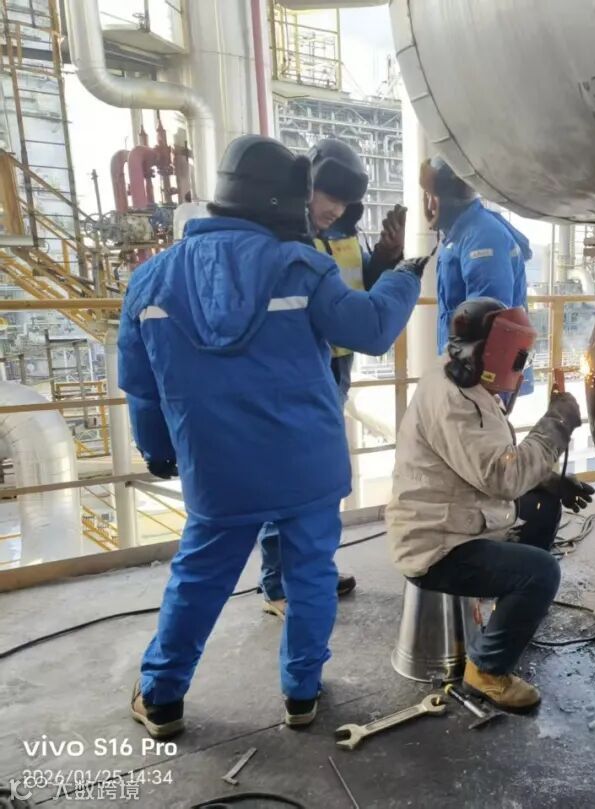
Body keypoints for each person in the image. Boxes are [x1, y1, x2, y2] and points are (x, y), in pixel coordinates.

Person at [120, 134, 426, 739]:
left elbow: (142, 387)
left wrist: (157, 449)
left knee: (199, 580)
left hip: (218, 470)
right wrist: (402, 276)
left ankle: (161, 698)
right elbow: (369, 330)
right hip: (306, 464)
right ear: (282, 201)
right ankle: (301, 694)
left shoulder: (150, 281)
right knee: (310, 577)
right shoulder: (300, 267)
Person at [386, 298, 594, 713]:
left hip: (457, 519)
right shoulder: (455, 400)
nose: (519, 366)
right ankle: (486, 671)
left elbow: (483, 460)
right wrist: (556, 425)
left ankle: (510, 616)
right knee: (541, 572)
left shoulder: (461, 379)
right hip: (436, 547)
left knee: (542, 504)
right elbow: (503, 477)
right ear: (493, 350)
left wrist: (548, 479)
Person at [257, 137, 407, 619]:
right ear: (306, 186)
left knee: (318, 477)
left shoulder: (343, 233)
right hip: (296, 367)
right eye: (329, 197)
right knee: (286, 474)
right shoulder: (282, 234)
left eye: (344, 201)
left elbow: (357, 292)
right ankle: (278, 584)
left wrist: (385, 258)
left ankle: (312, 571)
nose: (334, 209)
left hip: (335, 366)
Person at [420, 157, 534, 396]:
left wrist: (476, 385)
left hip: (481, 377)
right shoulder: (462, 233)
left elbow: (489, 320)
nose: (428, 204)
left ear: (449, 197)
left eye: (432, 195)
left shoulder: (482, 238)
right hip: (464, 368)